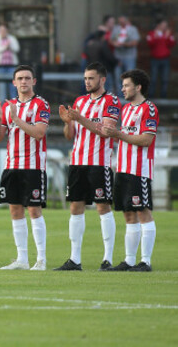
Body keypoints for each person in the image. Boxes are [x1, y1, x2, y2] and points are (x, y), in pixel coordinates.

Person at [55, 62, 121, 271]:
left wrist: (80, 118)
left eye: (91, 78)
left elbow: (107, 131)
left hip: (99, 163)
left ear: (102, 80)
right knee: (75, 208)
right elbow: (70, 136)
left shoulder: (111, 101)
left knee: (103, 207)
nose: (87, 82)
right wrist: (68, 122)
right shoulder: (80, 101)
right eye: (85, 79)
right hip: (77, 162)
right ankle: (75, 259)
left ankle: (107, 259)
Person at [0, 65, 50, 271]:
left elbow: (39, 133)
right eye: (20, 78)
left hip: (33, 166)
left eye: (27, 78)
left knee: (34, 209)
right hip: (11, 165)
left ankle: (41, 260)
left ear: (34, 81)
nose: (23, 82)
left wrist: (17, 120)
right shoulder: (8, 107)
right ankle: (22, 259)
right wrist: (0, 120)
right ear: (13, 83)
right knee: (15, 210)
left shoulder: (40, 104)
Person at [100, 69, 158, 272]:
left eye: (126, 85)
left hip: (139, 169)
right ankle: (129, 260)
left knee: (143, 212)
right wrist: (114, 134)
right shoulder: (126, 110)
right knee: (128, 214)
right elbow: (125, 136)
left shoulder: (148, 109)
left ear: (138, 87)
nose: (123, 89)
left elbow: (146, 139)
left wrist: (117, 133)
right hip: (123, 168)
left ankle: (146, 261)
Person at [146, 19, 175, 99]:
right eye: (163, 25)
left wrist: (167, 36)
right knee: (153, 78)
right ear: (158, 25)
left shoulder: (168, 33)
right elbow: (150, 43)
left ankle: (163, 96)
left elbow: (172, 44)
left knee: (165, 78)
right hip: (155, 59)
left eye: (166, 25)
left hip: (165, 59)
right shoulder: (152, 33)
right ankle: (151, 96)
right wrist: (156, 37)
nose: (165, 27)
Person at [110, 16, 140, 93]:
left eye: (123, 22)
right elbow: (111, 40)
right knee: (118, 77)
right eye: (120, 22)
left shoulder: (132, 29)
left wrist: (124, 44)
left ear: (127, 21)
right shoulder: (116, 29)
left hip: (129, 56)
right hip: (118, 56)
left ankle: (130, 94)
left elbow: (135, 42)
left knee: (130, 77)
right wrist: (115, 43)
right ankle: (120, 97)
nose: (121, 24)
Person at [0, 24, 20, 100]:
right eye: (1, 30)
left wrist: (10, 47)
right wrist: (4, 47)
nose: (3, 32)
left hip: (11, 66)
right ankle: (2, 106)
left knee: (13, 86)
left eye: (4, 30)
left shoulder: (12, 38)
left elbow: (17, 49)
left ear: (7, 30)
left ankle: (14, 104)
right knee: (1, 86)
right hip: (0, 66)